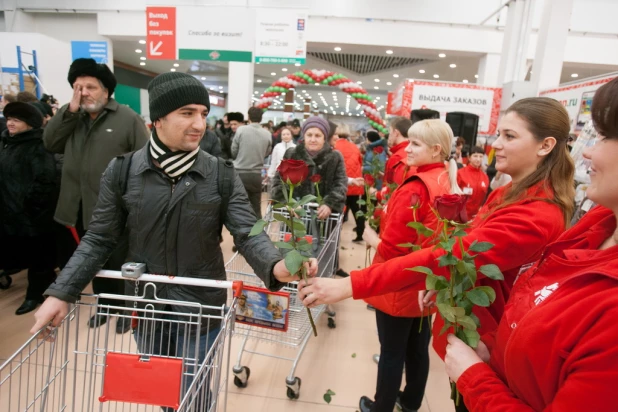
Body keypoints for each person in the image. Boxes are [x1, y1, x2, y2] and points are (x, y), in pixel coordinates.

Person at [32, 74, 317, 410]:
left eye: (203, 113)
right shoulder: (122, 171)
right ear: (159, 118)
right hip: (148, 306)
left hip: (200, 307)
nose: (199, 123)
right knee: (163, 389)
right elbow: (99, 238)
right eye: (187, 113)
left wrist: (275, 265)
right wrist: (61, 291)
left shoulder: (221, 174)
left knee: (193, 393)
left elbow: (246, 230)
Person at [298, 97, 576, 409]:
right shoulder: (505, 191)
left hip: (484, 339)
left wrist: (350, 284)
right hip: (461, 322)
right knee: (413, 349)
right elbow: (464, 243)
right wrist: (439, 283)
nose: (496, 144)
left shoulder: (534, 213)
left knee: (398, 353)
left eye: (509, 136)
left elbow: (455, 253)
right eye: (499, 134)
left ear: (545, 145)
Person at [445, 77, 618, 412]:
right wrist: (494, 353)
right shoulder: (592, 230)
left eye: (606, 136)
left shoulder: (542, 214)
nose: (590, 150)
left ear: (544, 145)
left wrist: (475, 377)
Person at [43, 58, 149, 333]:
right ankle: (105, 305)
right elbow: (49, 142)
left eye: (90, 87)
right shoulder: (71, 118)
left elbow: (146, 161)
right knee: (94, 261)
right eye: (77, 87)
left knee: (122, 261)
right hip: (76, 207)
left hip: (117, 208)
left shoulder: (127, 118)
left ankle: (127, 308)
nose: (83, 93)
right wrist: (68, 112)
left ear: (106, 91)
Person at [359, 119, 457, 412]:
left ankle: (382, 406)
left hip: (399, 283)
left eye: (415, 144)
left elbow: (391, 249)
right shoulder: (444, 179)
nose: (407, 149)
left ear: (436, 149)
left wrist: (371, 236)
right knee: (417, 347)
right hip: (426, 281)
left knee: (391, 352)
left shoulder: (415, 188)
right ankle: (411, 401)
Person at [0, 102, 57, 314]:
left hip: (32, 216)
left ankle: (34, 294)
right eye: (9, 119)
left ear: (30, 124)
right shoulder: (6, 142)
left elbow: (45, 179)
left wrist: (29, 206)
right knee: (23, 253)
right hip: (9, 214)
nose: (11, 123)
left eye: (16, 120)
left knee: (37, 256)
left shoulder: (38, 145)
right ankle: (46, 278)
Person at [231, 107, 272, 218]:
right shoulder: (267, 134)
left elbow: (234, 150)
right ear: (261, 118)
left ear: (248, 117)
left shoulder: (241, 130)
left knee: (238, 206)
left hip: (240, 173)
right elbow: (267, 152)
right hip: (256, 175)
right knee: (255, 207)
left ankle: (239, 233)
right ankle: (256, 234)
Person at [334, 123, 366, 243]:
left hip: (340, 185)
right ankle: (360, 233)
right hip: (355, 184)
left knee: (337, 213)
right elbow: (360, 163)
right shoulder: (354, 147)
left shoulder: (334, 147)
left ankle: (334, 236)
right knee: (357, 211)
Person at [457, 146, 490, 219]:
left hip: (475, 217)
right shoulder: (460, 173)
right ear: (469, 157)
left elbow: (484, 198)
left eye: (481, 156)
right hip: (459, 216)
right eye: (475, 156)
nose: (478, 159)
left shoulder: (485, 177)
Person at [384, 117, 415, 186]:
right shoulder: (414, 152)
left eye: (390, 132)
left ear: (396, 133)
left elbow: (391, 188)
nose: (389, 136)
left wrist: (378, 194)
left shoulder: (397, 157)